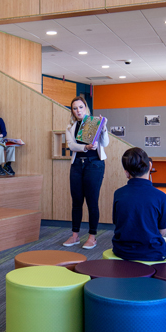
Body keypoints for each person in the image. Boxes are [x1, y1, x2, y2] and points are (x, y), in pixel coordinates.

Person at [63, 96, 107, 249]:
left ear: (86, 108)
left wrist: (104, 127)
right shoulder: (70, 127)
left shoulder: (95, 123)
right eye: (75, 108)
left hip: (94, 165)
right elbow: (71, 146)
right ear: (72, 111)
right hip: (77, 165)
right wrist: (85, 148)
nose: (78, 111)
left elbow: (105, 143)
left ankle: (92, 237)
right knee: (76, 202)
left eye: (80, 107)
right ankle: (75, 236)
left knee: (92, 201)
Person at [111, 148, 166, 262]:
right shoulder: (161, 196)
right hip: (152, 252)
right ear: (150, 166)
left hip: (121, 250)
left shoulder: (118, 194)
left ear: (126, 173)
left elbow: (117, 223)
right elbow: (162, 231)